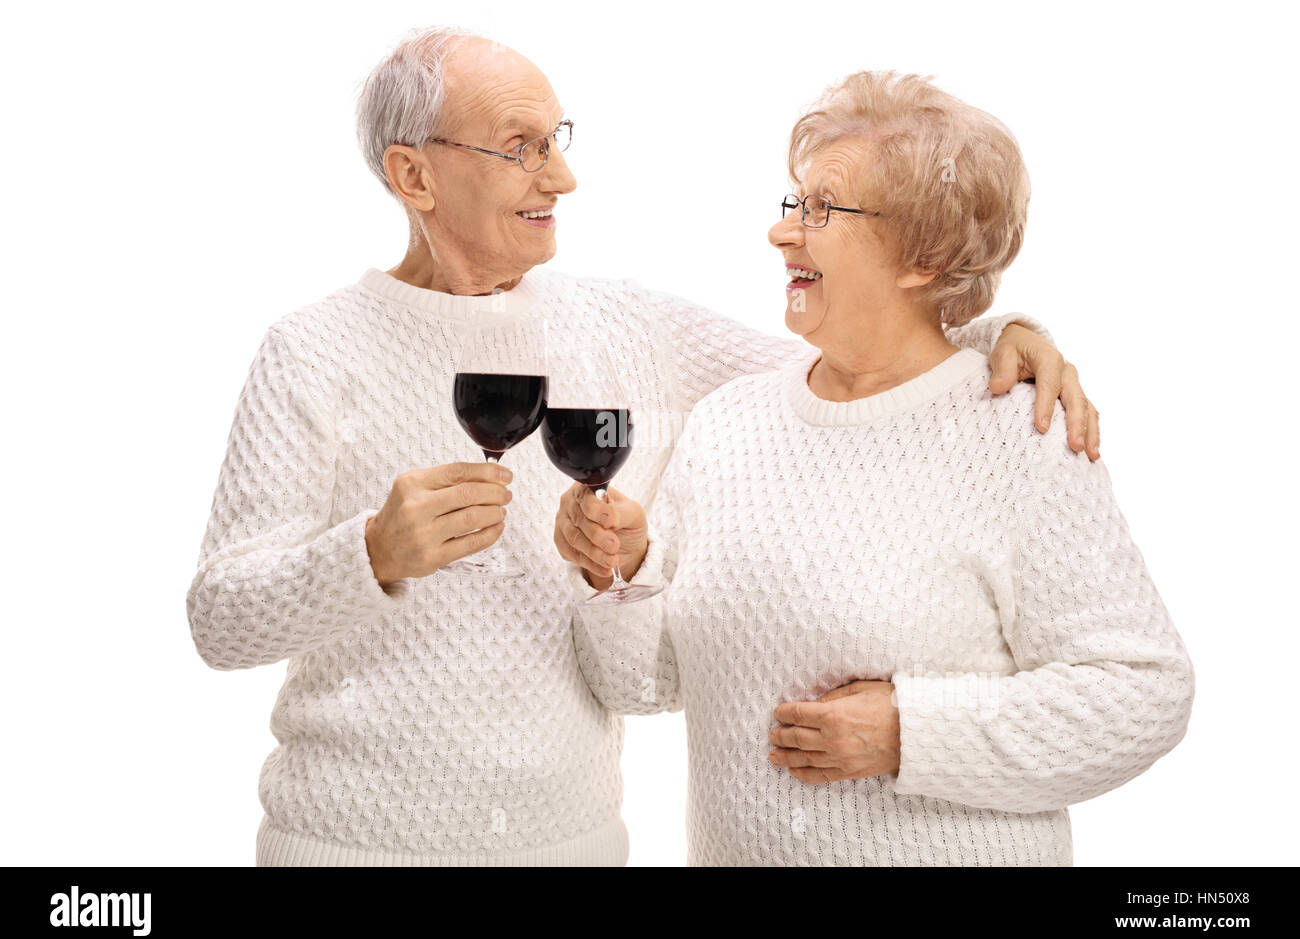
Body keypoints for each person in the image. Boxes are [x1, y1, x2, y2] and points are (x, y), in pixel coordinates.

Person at [187, 28, 1096, 867]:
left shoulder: (628, 326)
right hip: (350, 850)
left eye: (559, 138)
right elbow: (220, 621)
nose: (562, 178)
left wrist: (1000, 330)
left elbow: (865, 358)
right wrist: (372, 555)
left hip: (575, 847)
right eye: (522, 147)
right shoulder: (313, 352)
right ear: (414, 176)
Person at [556, 70, 1192, 866]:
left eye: (822, 209)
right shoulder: (729, 424)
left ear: (922, 257)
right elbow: (648, 685)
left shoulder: (1019, 434)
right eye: (795, 204)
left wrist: (912, 734)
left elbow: (1143, 692)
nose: (782, 233)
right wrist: (619, 571)